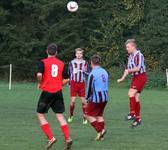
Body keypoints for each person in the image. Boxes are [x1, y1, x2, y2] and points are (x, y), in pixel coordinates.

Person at [36, 43, 73, 150]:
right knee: (59, 115)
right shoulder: (61, 63)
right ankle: (67, 138)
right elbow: (67, 79)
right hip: (58, 92)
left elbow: (39, 74)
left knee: (40, 114)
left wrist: (40, 83)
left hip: (47, 91)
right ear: (56, 52)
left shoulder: (43, 62)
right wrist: (58, 84)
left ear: (46, 51)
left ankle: (51, 138)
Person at [117, 39, 148, 128]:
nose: (127, 49)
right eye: (126, 47)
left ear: (133, 47)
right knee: (136, 97)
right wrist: (122, 79)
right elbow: (127, 70)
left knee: (130, 93)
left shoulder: (139, 55)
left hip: (141, 77)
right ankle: (138, 119)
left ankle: (132, 113)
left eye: (128, 47)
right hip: (136, 78)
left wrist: (129, 71)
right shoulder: (130, 56)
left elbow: (138, 68)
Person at [85, 55, 108, 141]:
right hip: (105, 97)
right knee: (99, 115)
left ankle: (100, 130)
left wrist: (87, 98)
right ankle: (101, 137)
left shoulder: (92, 73)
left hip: (96, 98)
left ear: (91, 63)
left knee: (87, 115)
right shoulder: (104, 71)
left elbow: (89, 87)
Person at [68, 48, 89, 124]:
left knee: (84, 102)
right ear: (75, 54)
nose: (79, 55)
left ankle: (85, 117)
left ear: (82, 55)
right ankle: (71, 115)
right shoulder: (72, 62)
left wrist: (85, 71)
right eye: (77, 53)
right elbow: (69, 73)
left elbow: (88, 73)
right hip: (74, 83)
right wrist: (69, 83)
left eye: (80, 53)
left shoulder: (85, 63)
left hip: (81, 84)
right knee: (72, 102)